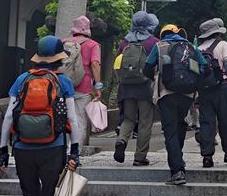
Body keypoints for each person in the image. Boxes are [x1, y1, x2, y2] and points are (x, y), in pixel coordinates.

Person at [0, 36, 80, 196]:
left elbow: (9, 116)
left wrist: (3, 151)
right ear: (59, 59)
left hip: (23, 148)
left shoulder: (22, 79)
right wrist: (74, 151)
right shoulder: (63, 82)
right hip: (53, 148)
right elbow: (73, 119)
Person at [143, 24, 208, 185]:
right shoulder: (191, 47)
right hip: (187, 94)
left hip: (166, 93)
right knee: (180, 125)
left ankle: (177, 171)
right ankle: (178, 158)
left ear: (163, 34)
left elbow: (147, 69)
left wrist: (158, 77)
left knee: (170, 131)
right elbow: (205, 68)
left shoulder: (159, 46)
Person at [114, 11, 160, 166]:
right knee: (145, 122)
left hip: (126, 88)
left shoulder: (124, 42)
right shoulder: (153, 42)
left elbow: (117, 64)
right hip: (146, 88)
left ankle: (121, 140)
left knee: (128, 119)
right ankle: (140, 157)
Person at [195, 18, 227, 167]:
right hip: (222, 87)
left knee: (206, 122)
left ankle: (207, 156)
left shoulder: (198, 49)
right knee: (225, 120)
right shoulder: (222, 45)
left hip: (204, 89)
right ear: (217, 33)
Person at [63, 15, 103, 149]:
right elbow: (95, 65)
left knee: (65, 118)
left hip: (64, 85)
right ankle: (74, 152)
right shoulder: (93, 45)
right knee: (80, 120)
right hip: (83, 86)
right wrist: (98, 87)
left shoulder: (63, 43)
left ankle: (64, 149)